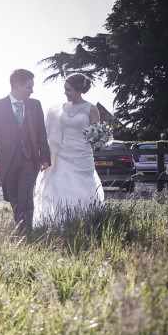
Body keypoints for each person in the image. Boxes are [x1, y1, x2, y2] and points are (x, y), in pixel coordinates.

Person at [32, 73, 105, 227]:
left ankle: (84, 221)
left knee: (82, 188)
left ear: (79, 90)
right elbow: (50, 131)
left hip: (82, 155)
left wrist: (98, 137)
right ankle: (60, 223)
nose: (65, 92)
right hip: (62, 155)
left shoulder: (91, 109)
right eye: (65, 89)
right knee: (59, 186)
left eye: (68, 90)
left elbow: (96, 134)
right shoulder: (59, 108)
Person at [0, 69, 51, 236]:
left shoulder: (35, 105)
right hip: (7, 161)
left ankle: (26, 233)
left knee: (26, 196)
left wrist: (45, 157)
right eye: (29, 87)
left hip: (30, 160)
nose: (32, 91)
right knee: (13, 198)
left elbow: (42, 133)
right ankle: (21, 229)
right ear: (17, 85)